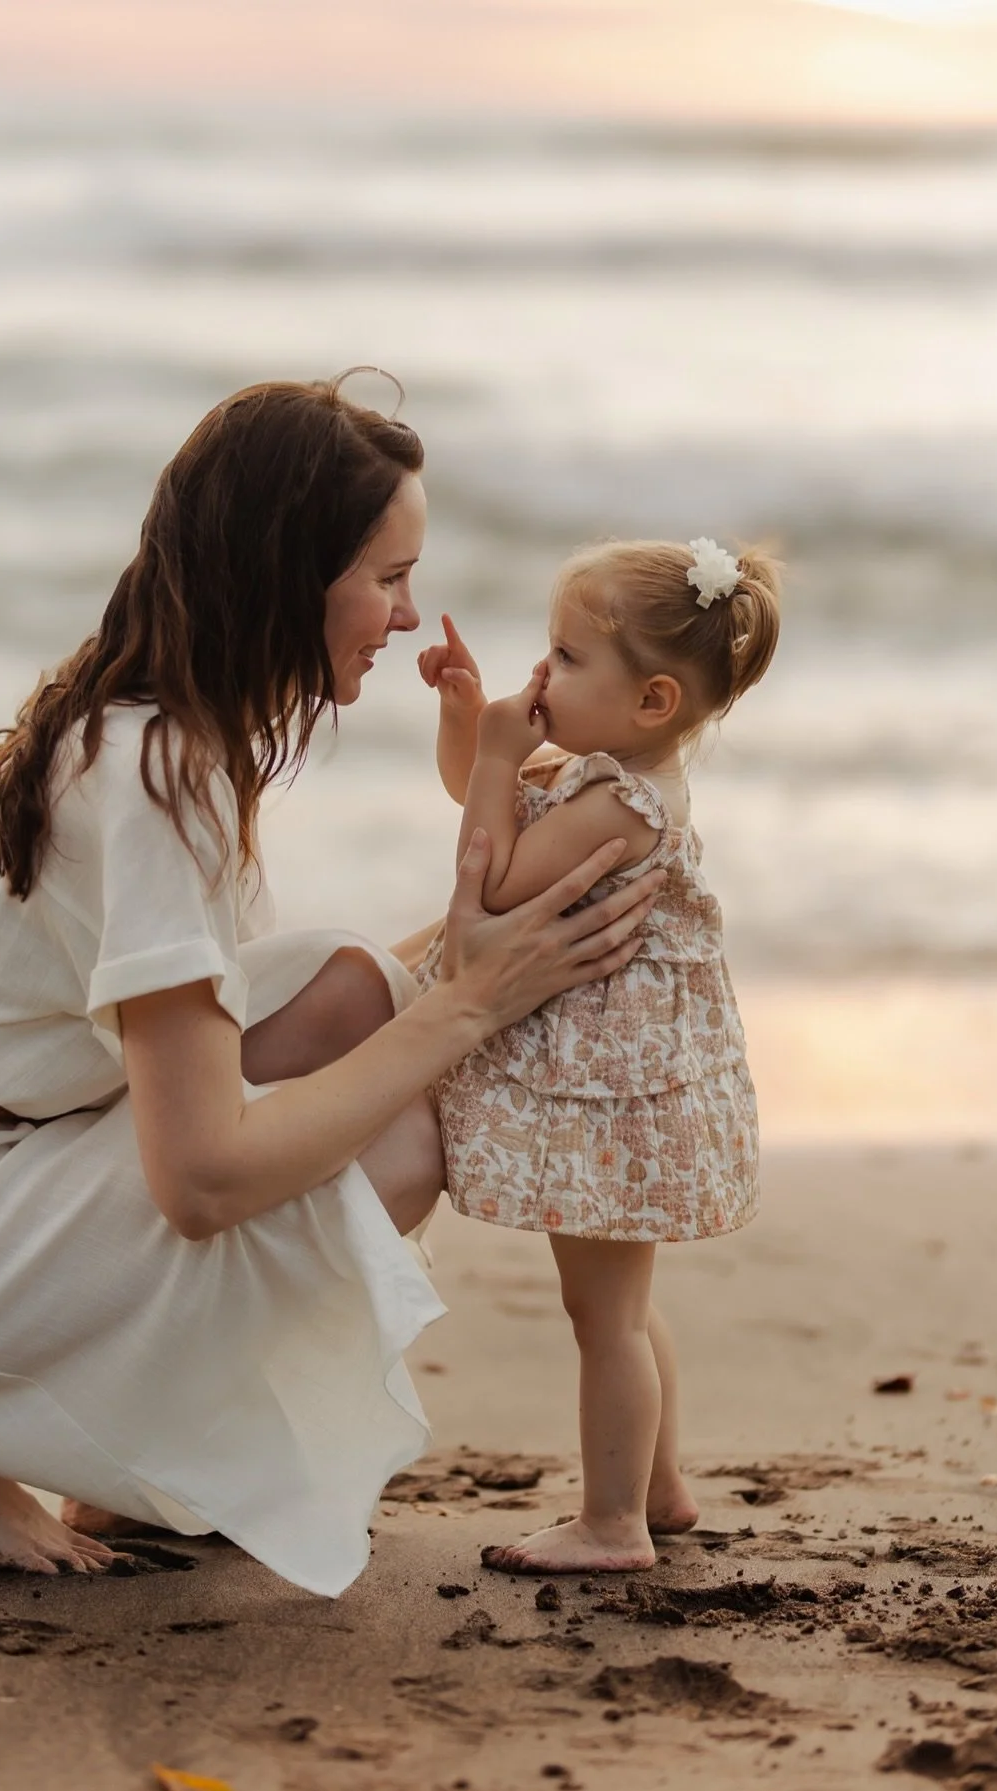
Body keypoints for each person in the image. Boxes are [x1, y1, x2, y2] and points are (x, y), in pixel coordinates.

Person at [0, 376, 664, 1599]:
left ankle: (95, 1466)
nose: (406, 614)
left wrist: (500, 940)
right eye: (385, 577)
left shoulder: (153, 724)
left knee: (354, 991)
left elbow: (314, 1030)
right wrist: (469, 1006)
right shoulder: (161, 777)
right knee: (407, 1125)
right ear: (287, 573)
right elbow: (204, 1181)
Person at [417, 536, 780, 1574]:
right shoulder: (615, 777)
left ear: (654, 700)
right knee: (621, 1303)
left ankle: (613, 1522)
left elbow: (492, 879)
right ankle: (658, 1488)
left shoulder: (619, 806)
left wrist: (494, 758)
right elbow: (487, 802)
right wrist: (469, 725)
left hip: (613, 1089)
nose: (545, 674)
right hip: (631, 1081)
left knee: (606, 1316)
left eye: (568, 659)